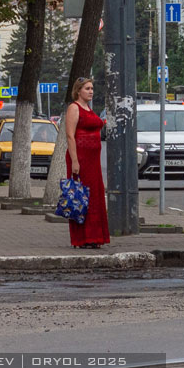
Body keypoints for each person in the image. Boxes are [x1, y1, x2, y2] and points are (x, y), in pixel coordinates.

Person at [63, 77, 110, 249]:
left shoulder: (89, 108)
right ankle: (82, 238)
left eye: (92, 88)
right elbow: (70, 135)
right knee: (80, 197)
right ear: (78, 91)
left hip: (93, 161)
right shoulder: (74, 108)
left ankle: (95, 237)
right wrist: (75, 161)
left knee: (95, 197)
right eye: (87, 88)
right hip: (80, 160)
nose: (91, 91)